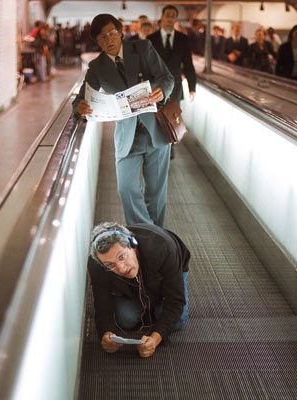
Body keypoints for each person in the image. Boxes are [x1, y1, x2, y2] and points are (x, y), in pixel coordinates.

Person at [73, 14, 174, 227]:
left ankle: (155, 242)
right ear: (97, 41)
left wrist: (161, 91)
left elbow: (167, 77)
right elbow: (82, 96)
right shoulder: (97, 67)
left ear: (121, 32)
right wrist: (80, 107)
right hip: (126, 137)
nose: (108, 40)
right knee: (126, 190)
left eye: (112, 34)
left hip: (155, 130)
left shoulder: (143, 49)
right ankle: (146, 235)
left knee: (156, 194)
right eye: (102, 37)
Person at [87, 222, 190, 358]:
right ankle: (149, 302)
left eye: (122, 257)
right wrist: (106, 333)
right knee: (126, 319)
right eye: (110, 265)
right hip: (133, 282)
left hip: (169, 267)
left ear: (133, 246)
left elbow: (175, 301)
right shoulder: (97, 264)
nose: (122, 268)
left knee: (177, 320)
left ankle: (152, 302)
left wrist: (155, 338)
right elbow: (102, 304)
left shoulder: (162, 248)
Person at [147, 5, 196, 102]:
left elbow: (188, 64)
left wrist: (192, 88)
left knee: (173, 116)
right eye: (167, 15)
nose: (170, 18)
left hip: (175, 87)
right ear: (162, 17)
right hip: (154, 87)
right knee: (155, 116)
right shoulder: (151, 39)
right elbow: (145, 64)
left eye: (173, 16)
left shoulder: (183, 39)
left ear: (176, 19)